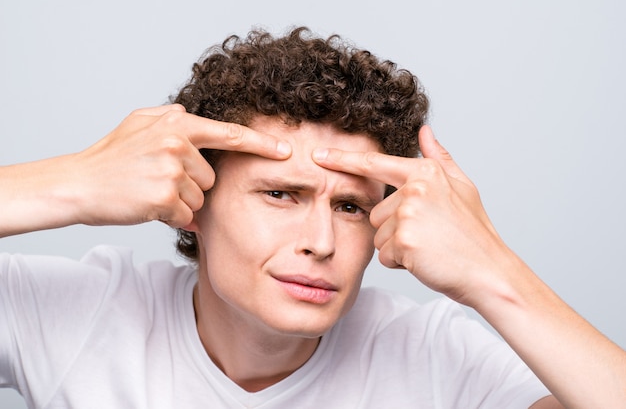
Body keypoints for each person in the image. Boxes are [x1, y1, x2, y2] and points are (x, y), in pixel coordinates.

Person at [0, 27, 624, 409]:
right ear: (190, 202)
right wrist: (71, 181)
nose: (321, 242)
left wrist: (494, 271)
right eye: (280, 194)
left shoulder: (430, 354)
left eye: (351, 207)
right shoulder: (79, 316)